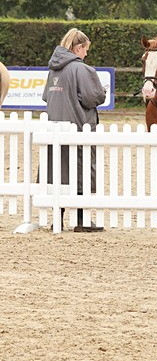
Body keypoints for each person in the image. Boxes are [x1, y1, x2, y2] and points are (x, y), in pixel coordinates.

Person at [42, 28, 107, 232]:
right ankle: (82, 219)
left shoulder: (53, 69)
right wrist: (102, 92)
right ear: (78, 48)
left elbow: (46, 97)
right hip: (78, 127)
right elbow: (93, 97)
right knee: (81, 171)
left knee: (57, 172)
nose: (86, 54)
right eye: (86, 49)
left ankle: (57, 219)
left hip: (55, 127)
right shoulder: (82, 69)